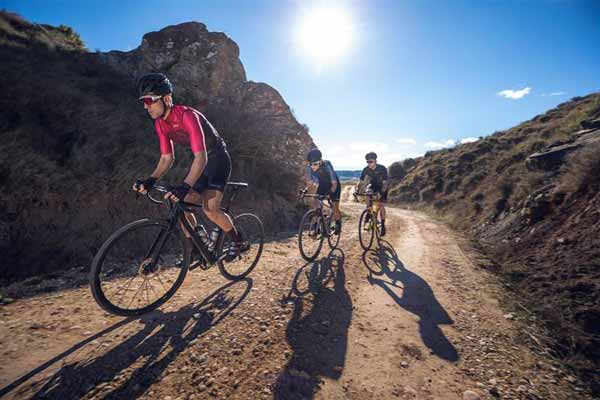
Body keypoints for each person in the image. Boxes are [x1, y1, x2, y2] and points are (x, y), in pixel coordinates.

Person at [131, 73, 246, 262]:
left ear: (166, 98)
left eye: (150, 100)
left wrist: (185, 186)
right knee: (180, 203)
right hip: (202, 162)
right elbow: (167, 158)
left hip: (218, 159)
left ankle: (238, 241)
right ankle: (196, 245)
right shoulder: (160, 124)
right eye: (144, 101)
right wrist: (150, 180)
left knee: (210, 210)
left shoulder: (187, 115)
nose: (146, 106)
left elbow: (201, 156)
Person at [305, 149, 342, 234]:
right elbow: (310, 183)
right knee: (316, 203)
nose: (313, 166)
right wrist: (305, 190)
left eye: (315, 164)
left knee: (334, 206)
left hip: (334, 185)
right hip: (322, 185)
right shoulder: (309, 167)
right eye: (311, 164)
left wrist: (330, 193)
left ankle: (338, 224)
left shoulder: (327, 164)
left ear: (321, 161)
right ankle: (317, 223)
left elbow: (334, 182)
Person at [358, 152, 388, 236]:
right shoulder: (366, 169)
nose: (369, 164)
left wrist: (381, 193)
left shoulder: (382, 168)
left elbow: (385, 183)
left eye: (371, 162)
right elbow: (361, 181)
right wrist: (358, 190)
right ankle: (368, 214)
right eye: (367, 162)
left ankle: (382, 225)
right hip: (373, 185)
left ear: (375, 161)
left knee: (380, 205)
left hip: (382, 186)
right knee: (368, 193)